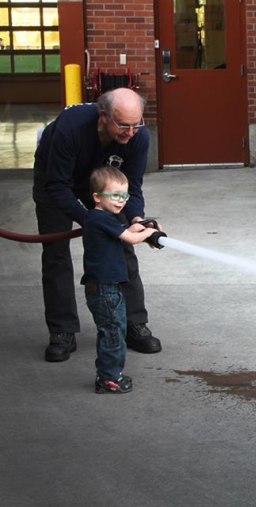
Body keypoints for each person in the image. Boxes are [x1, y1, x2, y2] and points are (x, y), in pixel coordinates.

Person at [33, 87, 162, 362]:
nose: (131, 132)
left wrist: (136, 220)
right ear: (104, 117)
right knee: (55, 251)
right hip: (57, 179)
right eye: (124, 126)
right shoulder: (70, 128)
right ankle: (62, 331)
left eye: (136, 124)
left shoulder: (137, 138)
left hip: (104, 181)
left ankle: (134, 323)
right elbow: (58, 187)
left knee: (123, 244)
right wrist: (95, 221)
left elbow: (133, 188)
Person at [82, 166, 162, 393]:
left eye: (125, 195)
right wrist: (147, 233)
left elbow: (123, 232)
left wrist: (137, 226)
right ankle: (110, 379)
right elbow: (130, 239)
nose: (121, 201)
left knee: (112, 330)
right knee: (113, 333)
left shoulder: (101, 218)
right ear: (97, 197)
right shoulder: (101, 219)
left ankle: (108, 375)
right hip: (105, 290)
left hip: (106, 287)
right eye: (115, 195)